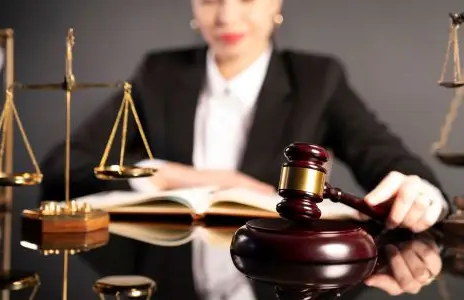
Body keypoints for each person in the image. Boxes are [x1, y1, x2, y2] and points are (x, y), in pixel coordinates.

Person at [41, 0, 448, 295]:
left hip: (280, 276)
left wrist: (423, 196)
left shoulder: (316, 78)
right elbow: (63, 166)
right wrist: (188, 177)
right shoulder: (160, 74)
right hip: (171, 265)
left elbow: (393, 162)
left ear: (277, 4)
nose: (227, 15)